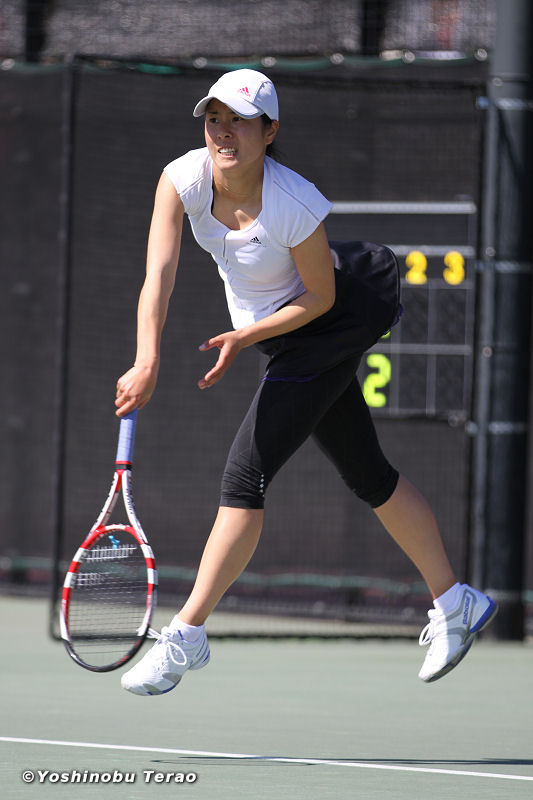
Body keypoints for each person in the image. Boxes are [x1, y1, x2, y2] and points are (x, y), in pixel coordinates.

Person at [115, 69, 497, 696]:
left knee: (244, 478)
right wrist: (147, 358)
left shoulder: (295, 203)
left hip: (328, 324)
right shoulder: (181, 179)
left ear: (270, 132)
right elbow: (159, 272)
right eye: (214, 119)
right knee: (369, 474)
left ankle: (185, 636)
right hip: (282, 335)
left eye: (239, 121)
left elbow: (320, 298)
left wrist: (246, 336)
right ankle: (456, 603)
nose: (223, 132)